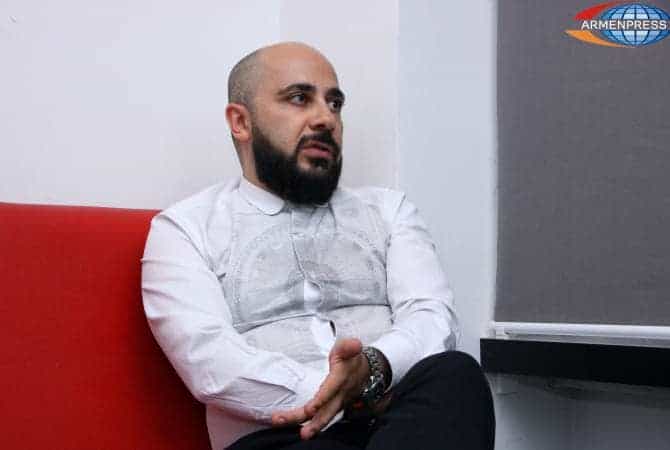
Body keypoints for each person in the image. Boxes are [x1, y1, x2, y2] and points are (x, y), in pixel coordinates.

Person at [141, 42, 494, 450]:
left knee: (456, 374)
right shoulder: (185, 228)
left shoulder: (388, 211)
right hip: (282, 438)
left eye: (335, 103)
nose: (326, 118)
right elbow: (210, 361)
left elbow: (432, 320)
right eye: (299, 98)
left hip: (401, 422)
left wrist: (373, 369)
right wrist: (345, 394)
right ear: (241, 121)